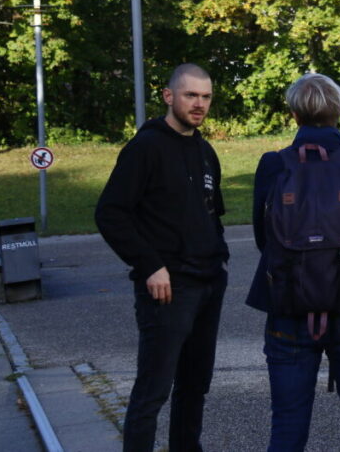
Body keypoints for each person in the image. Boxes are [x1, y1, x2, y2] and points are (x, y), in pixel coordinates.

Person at [245, 73, 340, 452]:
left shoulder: (272, 165)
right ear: (338, 111)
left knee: (287, 425)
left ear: (294, 115)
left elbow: (265, 237)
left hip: (289, 303)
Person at [95, 63, 229, 452]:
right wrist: (150, 265)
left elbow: (210, 214)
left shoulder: (205, 151)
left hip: (207, 283)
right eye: (191, 95)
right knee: (153, 390)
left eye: (205, 97)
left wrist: (219, 263)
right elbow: (110, 213)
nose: (199, 104)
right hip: (168, 288)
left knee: (195, 387)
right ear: (169, 96)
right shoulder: (145, 148)